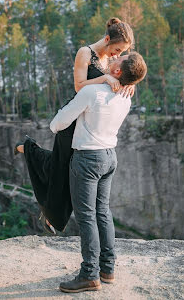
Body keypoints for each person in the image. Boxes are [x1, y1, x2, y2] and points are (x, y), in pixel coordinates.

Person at [14, 18, 135, 234]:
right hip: (72, 121)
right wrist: (106, 78)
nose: (117, 55)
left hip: (90, 124)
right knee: (61, 168)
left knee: (65, 167)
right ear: (107, 39)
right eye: (116, 49)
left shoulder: (111, 61)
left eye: (121, 52)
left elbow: (121, 76)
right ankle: (52, 215)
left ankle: (28, 149)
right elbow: (79, 86)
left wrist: (129, 84)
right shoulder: (85, 53)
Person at [52, 52, 147, 293]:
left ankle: (89, 275)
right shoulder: (125, 98)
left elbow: (58, 124)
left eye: (117, 60)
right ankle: (107, 269)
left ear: (117, 72)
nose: (111, 60)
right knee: (102, 212)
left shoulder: (91, 92)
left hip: (87, 159)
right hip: (109, 157)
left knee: (86, 217)